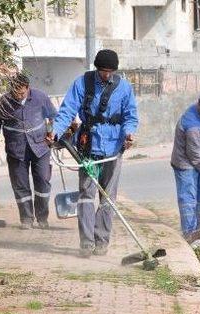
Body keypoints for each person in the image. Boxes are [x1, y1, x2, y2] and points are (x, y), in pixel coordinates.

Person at [49, 49, 138, 257]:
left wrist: (129, 134)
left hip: (113, 150)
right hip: (88, 148)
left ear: (115, 71)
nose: (106, 75)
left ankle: (102, 241)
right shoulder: (82, 84)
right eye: (103, 71)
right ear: (96, 68)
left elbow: (130, 116)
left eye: (110, 72)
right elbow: (67, 111)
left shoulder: (124, 88)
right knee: (87, 196)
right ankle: (87, 242)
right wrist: (55, 132)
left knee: (107, 198)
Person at [0, 73, 57, 230]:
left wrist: (51, 132)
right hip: (16, 150)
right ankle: (26, 218)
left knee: (43, 183)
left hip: (41, 147)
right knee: (20, 185)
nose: (18, 96)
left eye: (22, 93)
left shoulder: (40, 98)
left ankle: (42, 218)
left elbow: (53, 116)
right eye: (15, 93)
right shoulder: (3, 102)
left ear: (28, 88)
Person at [170, 92, 200, 238]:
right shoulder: (192, 126)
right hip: (185, 164)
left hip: (198, 162)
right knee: (188, 199)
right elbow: (193, 153)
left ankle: (198, 227)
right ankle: (189, 233)